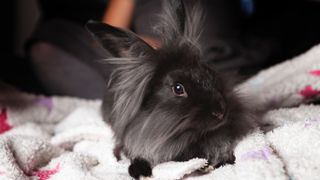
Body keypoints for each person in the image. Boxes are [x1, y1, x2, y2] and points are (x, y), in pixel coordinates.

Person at [27, 0, 320, 99]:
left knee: (203, 62)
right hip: (147, 53)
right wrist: (146, 49)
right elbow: (108, 38)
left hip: (203, 50)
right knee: (50, 42)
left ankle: (195, 85)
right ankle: (141, 95)